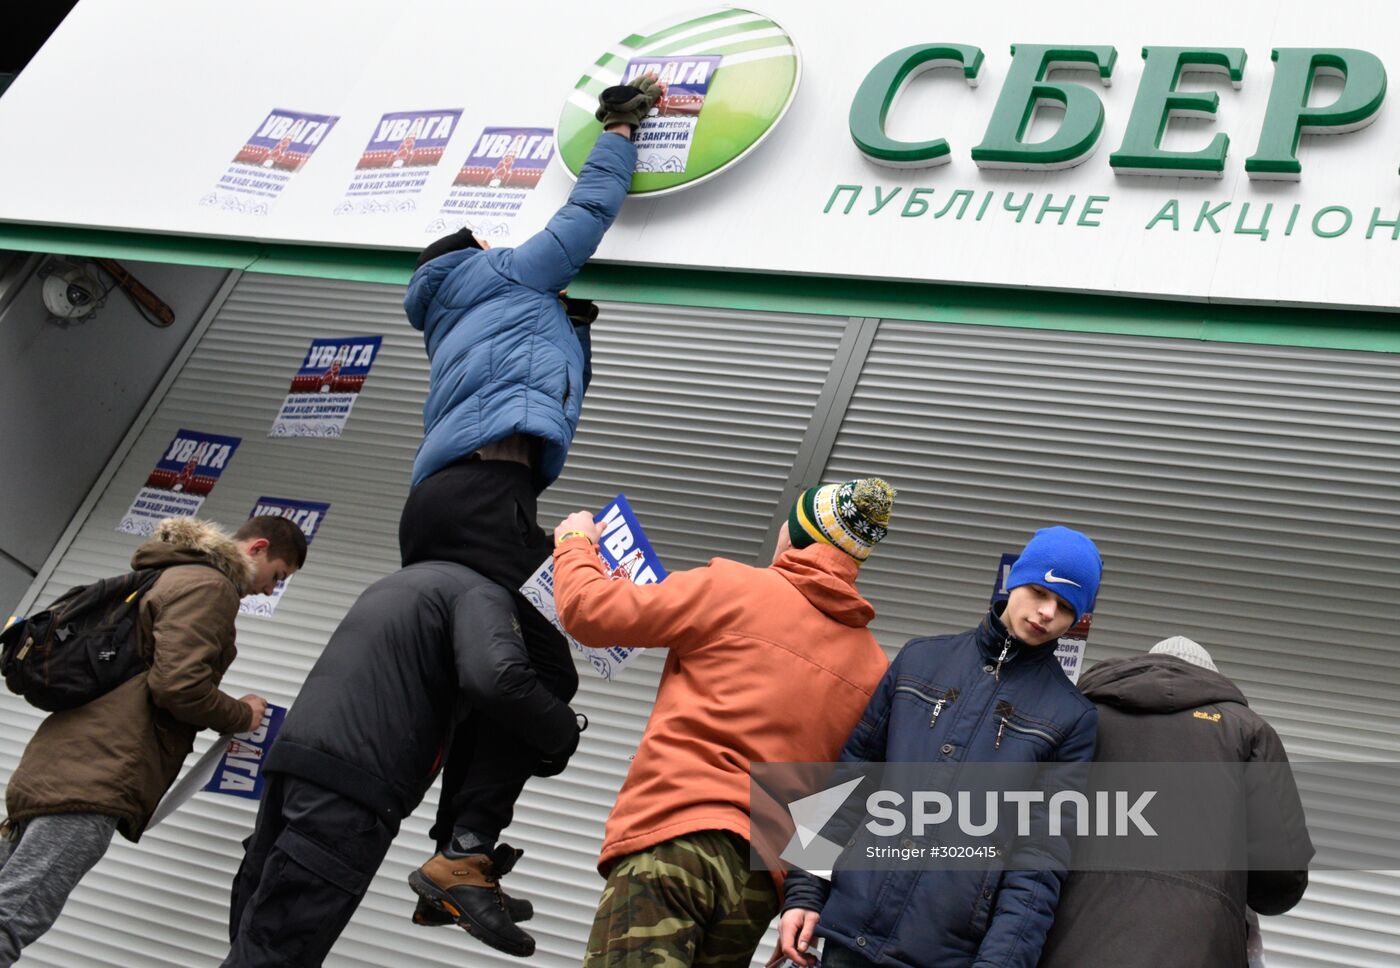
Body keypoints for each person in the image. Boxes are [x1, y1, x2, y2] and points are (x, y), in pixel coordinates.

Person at [396, 75, 663, 924]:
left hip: (450, 498)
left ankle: (458, 856)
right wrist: (620, 127)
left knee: (486, 673)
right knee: (543, 660)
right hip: (483, 496)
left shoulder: (461, 316)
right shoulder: (505, 274)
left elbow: (543, 389)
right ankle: (467, 844)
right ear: (474, 252)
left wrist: (571, 328)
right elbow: (586, 214)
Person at [552, 478, 897, 967]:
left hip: (675, 844)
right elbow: (839, 802)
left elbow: (588, 610)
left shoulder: (731, 588)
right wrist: (805, 899)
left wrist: (574, 544)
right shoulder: (874, 669)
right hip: (757, 886)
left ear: (796, 535)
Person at [223, 560, 583, 965]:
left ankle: (459, 863)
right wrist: (562, 733)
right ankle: (461, 862)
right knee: (277, 951)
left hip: (294, 765)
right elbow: (498, 680)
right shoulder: (483, 592)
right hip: (349, 791)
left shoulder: (408, 582)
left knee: (253, 933)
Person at [778, 525, 1104, 968]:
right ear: (1014, 581)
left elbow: (1039, 862)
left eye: (1066, 607)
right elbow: (849, 783)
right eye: (1039, 591)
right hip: (848, 931)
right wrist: (805, 891)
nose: (1047, 612)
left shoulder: (1071, 717)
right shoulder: (920, 661)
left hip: (943, 955)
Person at [0, 514, 303, 965]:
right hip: (94, 780)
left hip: (56, 767)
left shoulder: (166, 573)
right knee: (13, 919)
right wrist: (242, 714)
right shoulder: (211, 587)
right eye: (277, 576)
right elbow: (179, 686)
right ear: (257, 548)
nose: (268, 590)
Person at [1037, 636, 1314, 968]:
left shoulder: (1080, 715)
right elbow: (1280, 885)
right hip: (1197, 950)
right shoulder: (1249, 732)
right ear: (1210, 679)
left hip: (1065, 944)